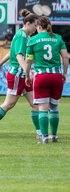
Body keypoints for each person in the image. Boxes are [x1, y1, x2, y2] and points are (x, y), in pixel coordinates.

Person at [24, 16, 69, 144]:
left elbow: (28, 61)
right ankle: (54, 136)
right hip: (56, 77)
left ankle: (44, 137)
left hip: (41, 77)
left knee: (43, 108)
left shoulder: (33, 40)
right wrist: (64, 73)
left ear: (38, 26)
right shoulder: (58, 38)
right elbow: (65, 58)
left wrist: (27, 76)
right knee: (54, 107)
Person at [0, 9, 40, 138]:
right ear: (28, 23)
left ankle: (40, 133)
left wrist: (0, 63)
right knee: (8, 104)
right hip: (18, 75)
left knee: (35, 104)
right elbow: (18, 56)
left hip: (22, 75)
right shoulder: (22, 36)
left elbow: (11, 50)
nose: (36, 28)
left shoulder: (24, 36)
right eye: (35, 25)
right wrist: (28, 73)